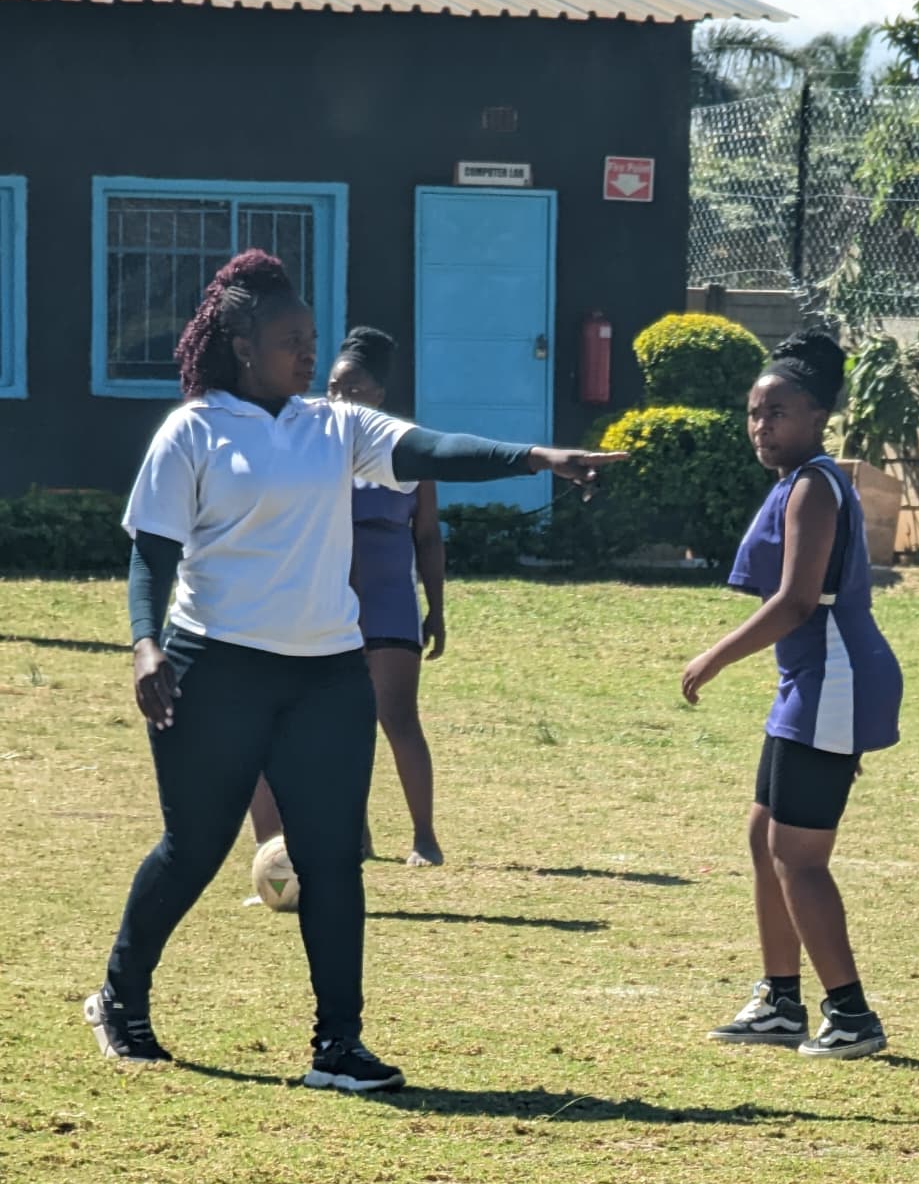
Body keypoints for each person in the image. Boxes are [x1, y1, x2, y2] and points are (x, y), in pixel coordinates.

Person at [83, 250, 624, 1090]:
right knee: (194, 847)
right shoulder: (192, 430)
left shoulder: (334, 428)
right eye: (291, 339)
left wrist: (536, 457)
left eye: (311, 339)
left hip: (327, 675)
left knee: (334, 857)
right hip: (213, 667)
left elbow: (434, 447)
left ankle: (338, 1046)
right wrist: (146, 644)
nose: (307, 353)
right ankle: (120, 998)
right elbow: (150, 555)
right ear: (238, 342)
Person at [681, 328, 902, 1061]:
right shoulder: (798, 479)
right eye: (753, 411)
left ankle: (851, 1018)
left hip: (833, 677)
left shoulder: (814, 483)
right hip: (809, 681)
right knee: (761, 835)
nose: (760, 426)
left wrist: (712, 658)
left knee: (798, 856)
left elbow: (798, 601)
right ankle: (780, 1001)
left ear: (815, 418)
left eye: (776, 412)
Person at [251, 325, 446, 867]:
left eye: (354, 390)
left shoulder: (409, 451)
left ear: (379, 396)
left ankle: (424, 836)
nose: (339, 399)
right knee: (334, 725)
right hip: (325, 601)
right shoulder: (312, 444)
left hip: (387, 604)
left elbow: (427, 538)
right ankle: (354, 834)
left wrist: (437, 610)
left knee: (396, 717)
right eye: (334, 387)